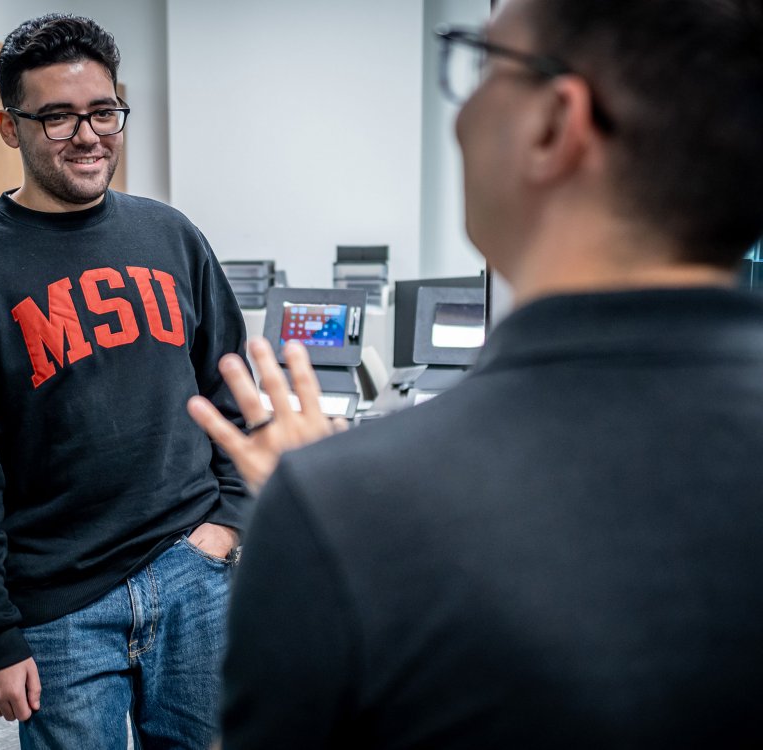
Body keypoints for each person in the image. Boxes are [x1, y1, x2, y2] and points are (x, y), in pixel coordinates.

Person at [188, 0, 763, 746]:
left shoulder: (348, 511)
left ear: (554, 125)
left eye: (484, 64)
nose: (459, 118)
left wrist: (326, 524)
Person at [0, 13, 249, 749]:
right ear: (10, 126)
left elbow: (233, 389)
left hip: (191, 573)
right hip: (59, 608)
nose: (88, 134)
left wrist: (227, 525)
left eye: (103, 112)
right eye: (58, 116)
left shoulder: (172, 236)